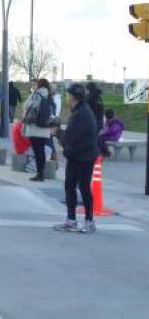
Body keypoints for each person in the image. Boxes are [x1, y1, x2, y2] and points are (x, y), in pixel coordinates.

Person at [54, 83, 99, 234]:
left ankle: (89, 221)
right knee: (71, 187)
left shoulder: (81, 114)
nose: (67, 97)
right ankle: (72, 220)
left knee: (83, 188)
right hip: (78, 155)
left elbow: (70, 138)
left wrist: (58, 132)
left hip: (83, 157)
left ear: (73, 96)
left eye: (68, 94)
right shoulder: (82, 111)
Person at [22, 78, 56, 182]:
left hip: (34, 128)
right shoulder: (50, 97)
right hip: (45, 128)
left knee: (37, 152)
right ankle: (41, 173)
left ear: (39, 85)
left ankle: (39, 174)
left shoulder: (35, 95)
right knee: (41, 151)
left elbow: (26, 106)